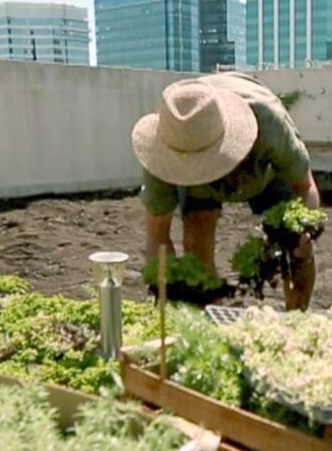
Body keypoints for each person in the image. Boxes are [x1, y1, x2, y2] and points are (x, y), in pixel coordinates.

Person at [132, 72, 320, 309]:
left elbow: (305, 187)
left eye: (208, 160)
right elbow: (157, 236)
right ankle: (210, 315)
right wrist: (165, 288)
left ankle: (297, 318)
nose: (206, 170)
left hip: (264, 172)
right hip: (197, 185)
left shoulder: (269, 124)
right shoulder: (165, 148)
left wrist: (303, 232)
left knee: (298, 249)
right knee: (195, 239)